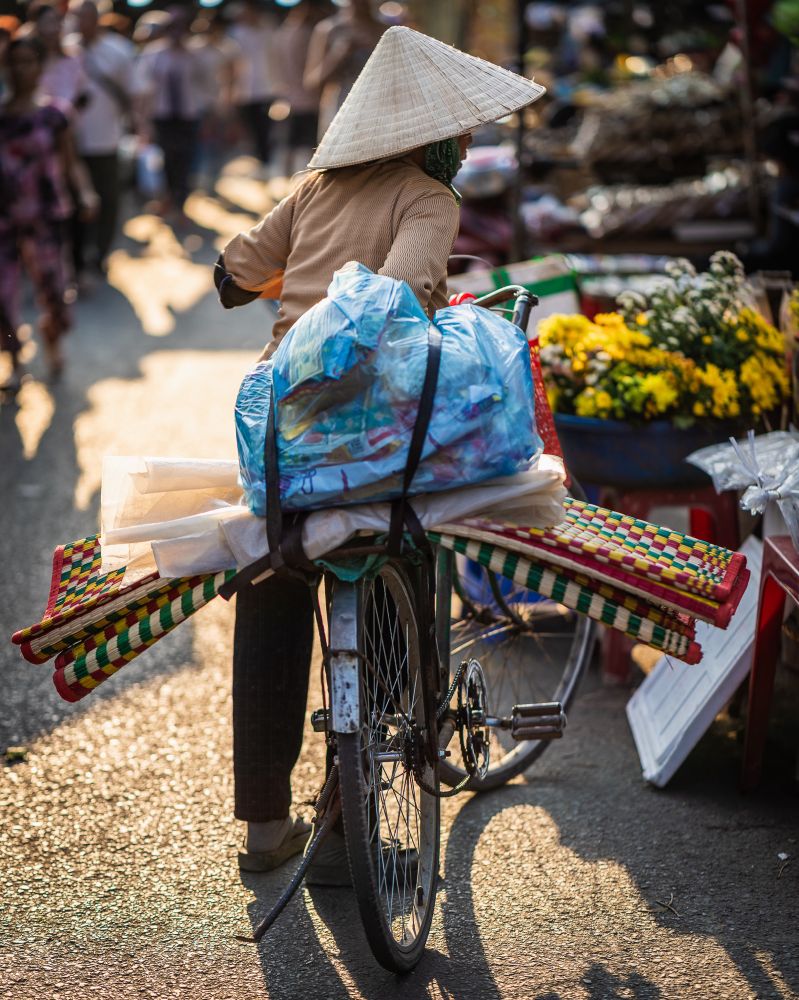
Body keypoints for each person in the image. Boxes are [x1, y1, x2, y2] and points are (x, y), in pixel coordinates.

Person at [215, 25, 544, 879]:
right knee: (406, 546)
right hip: (371, 430)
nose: (468, 146)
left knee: (274, 581)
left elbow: (232, 276)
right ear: (430, 137)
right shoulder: (428, 200)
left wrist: (296, 279)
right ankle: (382, 770)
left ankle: (262, 829)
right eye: (461, 133)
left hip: (281, 431)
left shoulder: (315, 188)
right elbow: (394, 305)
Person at [0, 35, 98, 390]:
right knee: (2, 293)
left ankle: (52, 339)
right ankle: (13, 358)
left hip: (45, 215)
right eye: (14, 62)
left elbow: (70, 163)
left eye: (28, 61)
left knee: (54, 292)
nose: (20, 69)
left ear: (40, 66)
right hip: (4, 216)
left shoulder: (55, 114)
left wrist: (85, 193)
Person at [67, 0, 136, 282]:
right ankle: (77, 260)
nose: (83, 23)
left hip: (106, 141)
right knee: (73, 205)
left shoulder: (118, 50)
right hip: (69, 145)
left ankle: (100, 254)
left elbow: (133, 93)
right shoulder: (63, 50)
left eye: (88, 17)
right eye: (78, 18)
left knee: (108, 202)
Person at [134, 6, 207, 219]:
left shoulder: (195, 55)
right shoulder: (153, 54)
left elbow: (206, 84)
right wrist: (142, 121)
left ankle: (180, 203)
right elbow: (143, 90)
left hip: (188, 116)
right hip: (163, 116)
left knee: (185, 160)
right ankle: (168, 198)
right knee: (166, 160)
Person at [303, 0, 385, 140]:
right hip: (341, 108)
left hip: (379, 108)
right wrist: (338, 55)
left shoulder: (384, 29)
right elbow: (311, 81)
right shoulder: (329, 29)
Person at [274, 0, 329, 177]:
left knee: (292, 143)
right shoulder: (308, 34)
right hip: (308, 98)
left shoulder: (283, 32)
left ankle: (287, 178)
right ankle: (303, 181)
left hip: (291, 96)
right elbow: (312, 72)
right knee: (307, 144)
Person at [229, 0, 280, 173]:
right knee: (251, 129)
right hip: (245, 91)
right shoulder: (235, 33)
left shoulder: (268, 29)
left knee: (266, 128)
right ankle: (258, 160)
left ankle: (266, 161)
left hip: (267, 89)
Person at [28, 1, 87, 110]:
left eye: (56, 21)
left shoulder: (74, 58)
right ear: (36, 26)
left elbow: (82, 94)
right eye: (46, 23)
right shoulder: (30, 61)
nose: (52, 29)